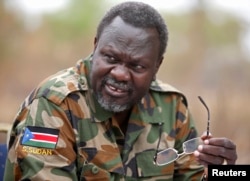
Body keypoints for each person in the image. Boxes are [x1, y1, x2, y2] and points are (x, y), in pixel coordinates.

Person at [4, 1, 237, 180]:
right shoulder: (55, 103)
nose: (120, 74)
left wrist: (224, 171)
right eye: (110, 58)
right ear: (96, 47)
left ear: (157, 66)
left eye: (136, 66)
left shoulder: (171, 106)